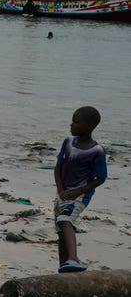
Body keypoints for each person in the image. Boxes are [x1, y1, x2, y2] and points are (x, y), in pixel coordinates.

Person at [53, 106, 107, 273]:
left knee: (65, 220)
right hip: (63, 193)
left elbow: (101, 178)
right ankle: (65, 267)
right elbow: (58, 167)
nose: (71, 125)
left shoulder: (97, 151)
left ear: (89, 126)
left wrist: (77, 191)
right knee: (61, 231)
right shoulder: (68, 142)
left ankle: (73, 258)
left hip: (79, 196)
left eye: (76, 122)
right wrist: (61, 190)